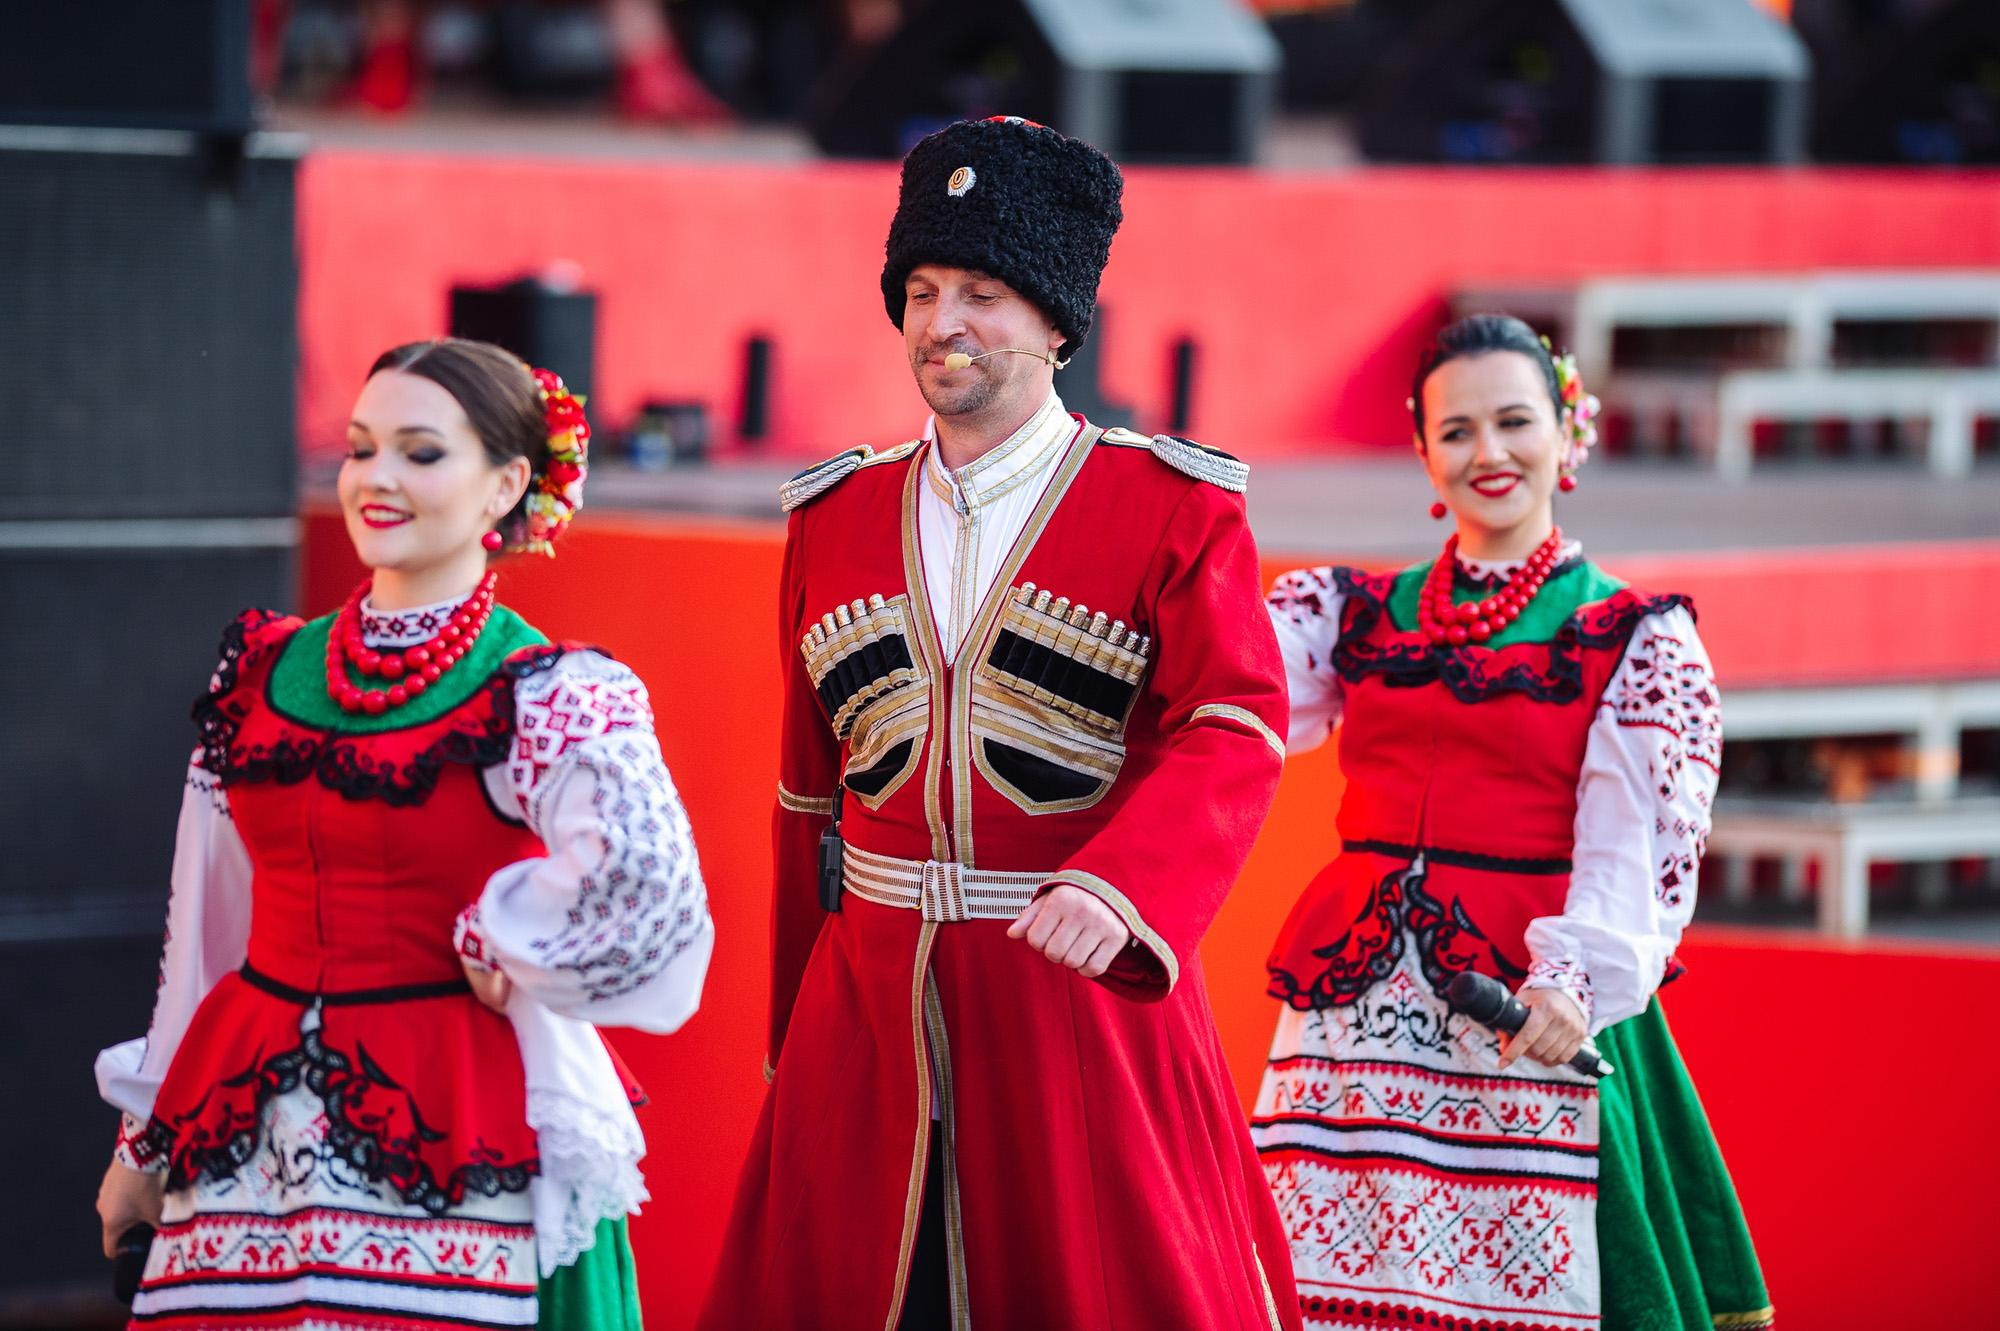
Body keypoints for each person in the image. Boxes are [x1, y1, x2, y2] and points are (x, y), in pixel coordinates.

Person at [698, 115, 1300, 1330]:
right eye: (920, 291)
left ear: (1056, 323)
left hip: (1073, 1010)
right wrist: (794, 1032)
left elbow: (1234, 721)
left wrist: (1123, 889)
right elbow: (805, 800)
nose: (941, 323)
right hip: (863, 1017)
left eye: (980, 291)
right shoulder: (833, 512)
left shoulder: (1170, 506)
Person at [92, 338, 716, 1329]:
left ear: (505, 483)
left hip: (457, 1114)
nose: (376, 478)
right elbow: (203, 929)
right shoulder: (258, 673)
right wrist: (141, 1140)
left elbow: (653, 891)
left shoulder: (545, 689)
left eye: (421, 453)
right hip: (249, 1121)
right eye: (359, 448)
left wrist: (500, 933)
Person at [1251, 314, 1772, 1331]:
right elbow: (1232, 689)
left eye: (1512, 422)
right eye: (1455, 431)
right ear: (1421, 451)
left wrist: (1572, 980)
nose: (1485, 452)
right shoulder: (1348, 609)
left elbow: (1631, 841)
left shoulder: (1626, 633)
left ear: (1566, 433)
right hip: (1356, 1011)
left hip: (1527, 1000)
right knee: (1327, 1270)